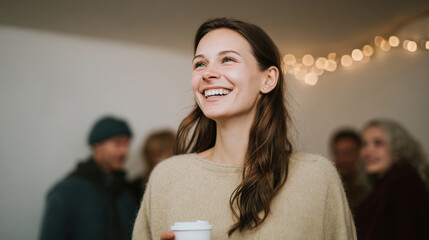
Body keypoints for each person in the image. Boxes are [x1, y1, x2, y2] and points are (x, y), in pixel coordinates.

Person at [132, 18, 356, 240]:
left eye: (227, 59)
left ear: (268, 79)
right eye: (200, 64)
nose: (207, 73)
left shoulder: (317, 177)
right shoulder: (166, 178)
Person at [40, 116, 139, 240]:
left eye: (127, 144)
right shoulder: (66, 193)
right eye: (117, 144)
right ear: (97, 146)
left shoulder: (127, 191)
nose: (124, 151)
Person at [356, 119, 429, 240]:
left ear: (398, 146)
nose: (367, 151)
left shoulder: (404, 185)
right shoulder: (387, 183)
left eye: (378, 143)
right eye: (364, 144)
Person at [130, 129, 175, 201]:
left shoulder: (187, 183)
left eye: (164, 154)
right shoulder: (135, 187)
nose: (158, 160)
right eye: (153, 155)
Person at [330, 129, 369, 211]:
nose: (341, 159)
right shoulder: (331, 189)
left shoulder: (370, 190)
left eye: (347, 153)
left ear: (360, 154)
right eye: (337, 153)